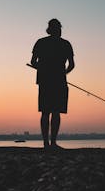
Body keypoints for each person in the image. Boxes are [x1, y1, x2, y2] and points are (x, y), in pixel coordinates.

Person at [30, 19, 74, 150]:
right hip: (58, 81)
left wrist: (43, 68)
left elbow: (33, 62)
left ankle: (46, 144)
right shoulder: (65, 44)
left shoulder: (41, 42)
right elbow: (71, 65)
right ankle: (52, 143)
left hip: (45, 81)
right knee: (55, 112)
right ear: (58, 29)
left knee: (46, 112)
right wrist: (63, 73)